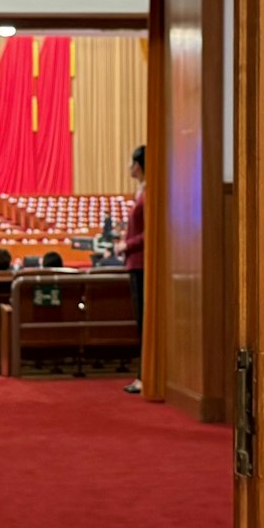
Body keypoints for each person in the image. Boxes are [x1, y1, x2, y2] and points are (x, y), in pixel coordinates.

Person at [122, 143, 147, 394]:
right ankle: (142, 374)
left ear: (138, 166)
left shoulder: (147, 194)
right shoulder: (140, 192)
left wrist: (125, 245)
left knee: (143, 321)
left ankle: (144, 375)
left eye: (131, 163)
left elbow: (148, 233)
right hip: (135, 262)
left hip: (140, 262)